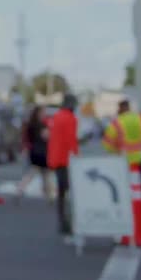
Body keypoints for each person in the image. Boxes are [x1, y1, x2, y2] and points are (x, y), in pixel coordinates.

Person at [47, 96, 80, 239]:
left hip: (55, 158)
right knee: (67, 191)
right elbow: (71, 139)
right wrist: (77, 156)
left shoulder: (57, 116)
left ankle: (62, 221)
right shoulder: (70, 118)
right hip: (66, 159)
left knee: (61, 192)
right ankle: (67, 222)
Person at [103, 100, 141, 188]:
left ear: (120, 108)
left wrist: (116, 151)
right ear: (129, 107)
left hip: (125, 158)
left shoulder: (116, 122)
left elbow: (107, 144)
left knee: (128, 183)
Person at [14, 105, 52, 203]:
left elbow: (27, 138)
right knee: (45, 174)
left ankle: (20, 190)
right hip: (42, 151)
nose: (45, 114)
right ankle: (49, 196)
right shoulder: (41, 125)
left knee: (34, 173)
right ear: (39, 113)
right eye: (43, 112)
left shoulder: (30, 124)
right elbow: (46, 136)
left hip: (33, 151)